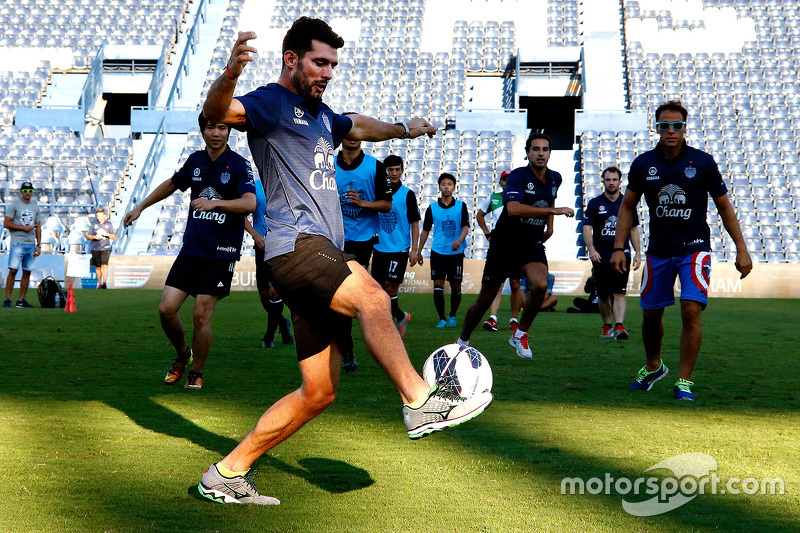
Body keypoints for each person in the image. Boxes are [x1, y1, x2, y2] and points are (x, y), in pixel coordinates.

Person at [198, 17, 493, 505]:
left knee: (318, 393)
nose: (327, 72)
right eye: (319, 62)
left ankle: (227, 472)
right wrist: (229, 74)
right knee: (375, 298)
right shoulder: (270, 103)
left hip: (317, 253)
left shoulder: (320, 112)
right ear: (291, 59)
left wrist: (404, 130)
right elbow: (218, 112)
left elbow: (355, 125)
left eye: (332, 64)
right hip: (297, 246)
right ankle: (420, 402)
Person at [611, 100, 752, 401]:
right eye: (665, 126)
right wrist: (618, 247)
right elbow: (627, 205)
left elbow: (724, 206)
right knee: (651, 316)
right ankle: (653, 366)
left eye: (677, 126)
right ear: (657, 128)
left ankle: (684, 380)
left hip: (694, 249)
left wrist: (742, 249)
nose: (671, 131)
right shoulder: (642, 164)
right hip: (658, 251)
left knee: (691, 309)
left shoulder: (702, 162)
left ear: (685, 128)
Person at [123, 113, 257, 390]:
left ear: (229, 132)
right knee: (166, 308)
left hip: (221, 251)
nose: (216, 133)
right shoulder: (195, 160)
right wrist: (140, 207)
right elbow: (172, 184)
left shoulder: (240, 165)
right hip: (192, 249)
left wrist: (216, 205)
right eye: (211, 127)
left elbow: (249, 203)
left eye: (222, 127)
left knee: (200, 314)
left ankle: (197, 372)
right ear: (203, 130)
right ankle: (184, 354)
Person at [456, 132, 575, 358]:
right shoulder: (518, 176)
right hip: (505, 244)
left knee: (540, 285)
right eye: (536, 149)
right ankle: (462, 340)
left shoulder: (555, 178)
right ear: (527, 152)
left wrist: (550, 227)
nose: (541, 153)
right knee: (484, 301)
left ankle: (520, 333)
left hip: (531, 243)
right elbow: (513, 209)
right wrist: (553, 212)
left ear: (550, 153)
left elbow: (551, 199)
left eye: (545, 149)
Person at [334, 135, 392, 372]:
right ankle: (342, 348)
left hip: (362, 241)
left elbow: (386, 204)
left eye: (357, 135)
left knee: (349, 293)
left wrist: (362, 204)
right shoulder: (326, 163)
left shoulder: (375, 166)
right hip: (332, 238)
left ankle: (347, 351)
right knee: (336, 294)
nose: (353, 139)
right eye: (348, 134)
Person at [582, 166, 641, 339]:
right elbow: (587, 228)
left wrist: (638, 252)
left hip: (623, 255)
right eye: (608, 180)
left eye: (614, 180)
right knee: (602, 294)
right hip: (601, 256)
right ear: (603, 181)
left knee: (619, 292)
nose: (611, 183)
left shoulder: (628, 203)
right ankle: (607, 325)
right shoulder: (595, 203)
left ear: (620, 182)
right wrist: (591, 249)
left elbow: (633, 229)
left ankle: (619, 325)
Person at [372, 154, 421, 337]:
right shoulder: (377, 191)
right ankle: (399, 316)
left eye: (397, 170)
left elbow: (415, 222)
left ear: (402, 171)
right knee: (379, 289)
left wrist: (414, 250)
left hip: (399, 248)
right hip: (379, 247)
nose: (394, 173)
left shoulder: (407, 194)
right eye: (390, 170)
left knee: (390, 286)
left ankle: (392, 323)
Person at [244, 179, 293, 349]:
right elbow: (241, 215)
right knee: (265, 296)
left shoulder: (290, 182)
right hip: (261, 246)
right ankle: (282, 323)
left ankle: (268, 338)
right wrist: (255, 234)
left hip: (283, 245)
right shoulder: (255, 186)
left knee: (274, 291)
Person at [416, 173, 469, 328]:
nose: (446, 187)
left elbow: (466, 227)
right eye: (443, 184)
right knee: (438, 284)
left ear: (453, 187)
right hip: (438, 252)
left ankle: (452, 315)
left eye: (449, 184)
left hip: (456, 253)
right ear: (439, 187)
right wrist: (419, 251)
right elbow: (425, 231)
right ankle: (442, 318)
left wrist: (459, 241)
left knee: (456, 286)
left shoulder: (461, 206)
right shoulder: (432, 208)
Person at [476, 169, 525, 332]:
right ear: (500, 182)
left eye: (510, 179)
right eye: (504, 179)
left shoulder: (521, 197)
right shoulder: (494, 198)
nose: (507, 181)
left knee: (515, 283)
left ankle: (513, 318)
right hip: (500, 244)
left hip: (517, 244)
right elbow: (480, 215)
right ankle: (493, 318)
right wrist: (487, 233)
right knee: (497, 283)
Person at [3, 181, 42, 308]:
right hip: (17, 242)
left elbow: (38, 227)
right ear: (21, 192)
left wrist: (38, 244)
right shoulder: (14, 205)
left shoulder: (35, 207)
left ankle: (21, 300)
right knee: (13, 270)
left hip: (30, 243)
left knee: (27, 272)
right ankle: (8, 299)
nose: (28, 193)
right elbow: (6, 223)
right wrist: (22, 228)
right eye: (25, 191)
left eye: (30, 191)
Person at [87, 207, 117, 289]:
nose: (99, 218)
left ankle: (104, 282)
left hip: (106, 248)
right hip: (96, 248)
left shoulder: (108, 224)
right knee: (98, 267)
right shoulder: (94, 224)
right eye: (98, 216)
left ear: (104, 215)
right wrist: (94, 237)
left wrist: (106, 234)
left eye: (101, 216)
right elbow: (88, 236)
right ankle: (99, 283)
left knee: (104, 265)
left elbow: (113, 236)